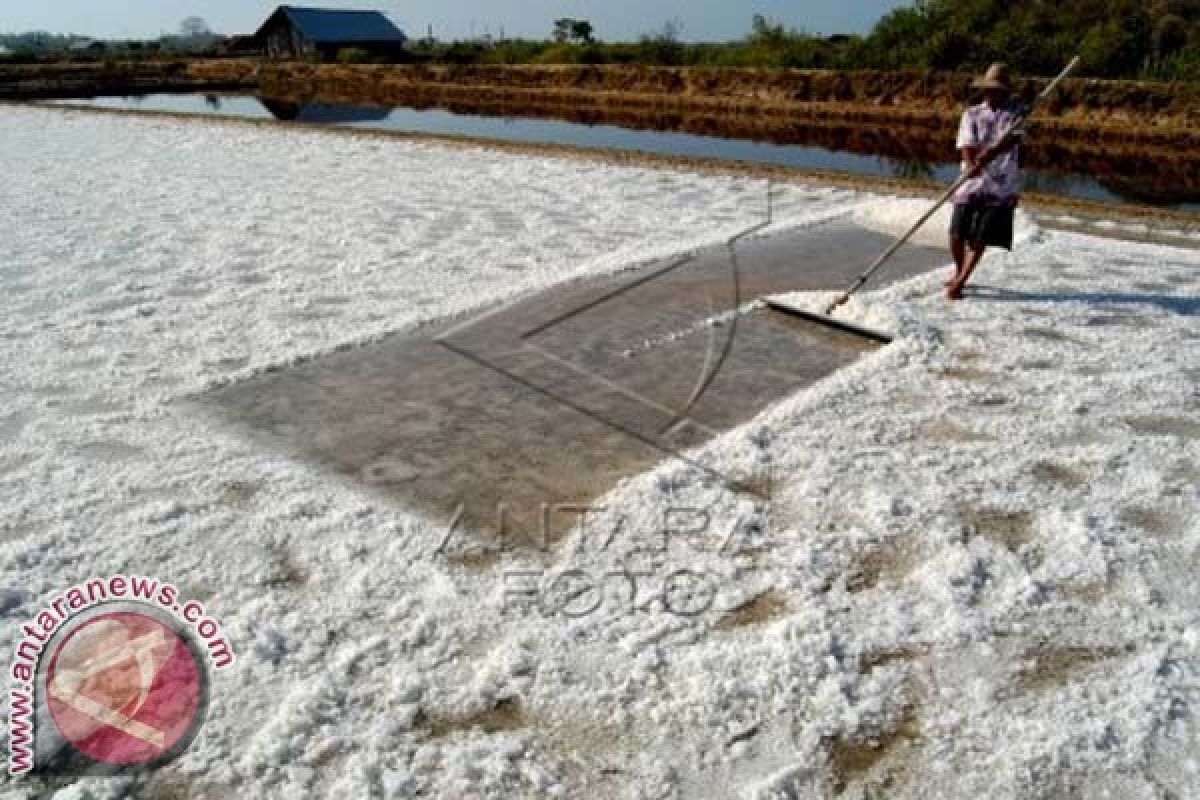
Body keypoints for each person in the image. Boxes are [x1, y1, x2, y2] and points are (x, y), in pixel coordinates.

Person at [946, 63, 1027, 300]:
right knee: (956, 233)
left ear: (1005, 92)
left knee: (981, 236)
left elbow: (1013, 140)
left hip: (1001, 183)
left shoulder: (1018, 114)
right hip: (971, 179)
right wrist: (972, 163)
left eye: (998, 91)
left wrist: (992, 153)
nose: (993, 94)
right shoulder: (971, 113)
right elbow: (966, 144)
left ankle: (961, 281)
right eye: (989, 90)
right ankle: (959, 270)